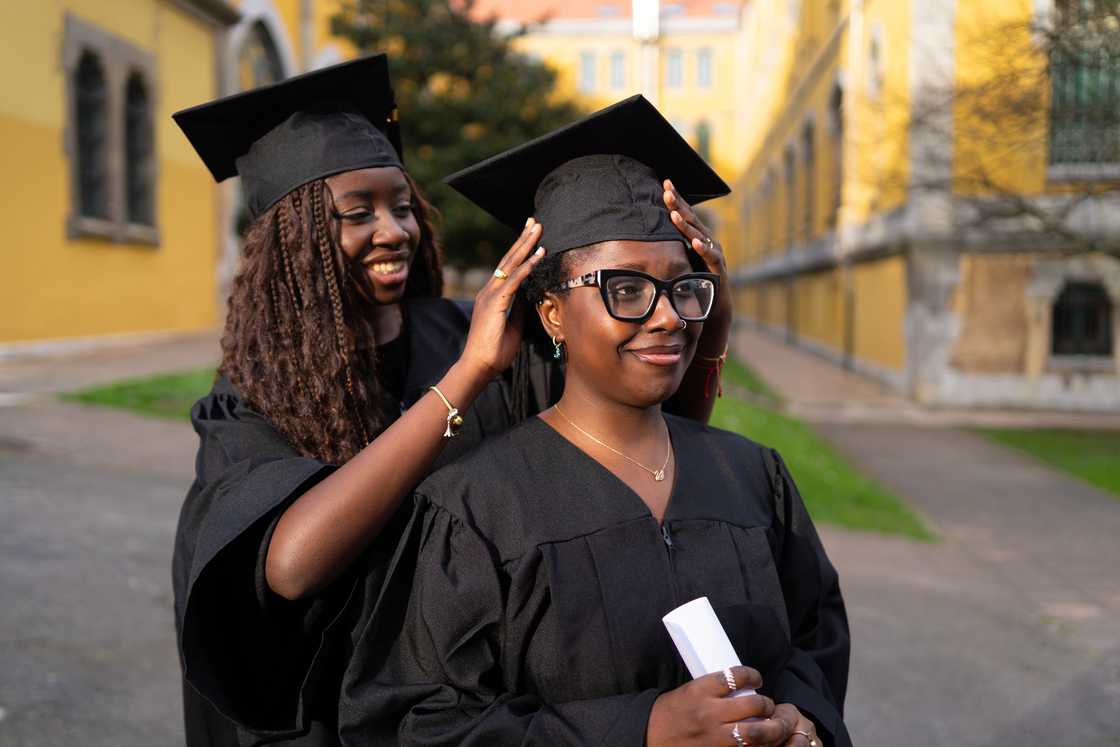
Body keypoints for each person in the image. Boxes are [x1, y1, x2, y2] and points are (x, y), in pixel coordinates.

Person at [170, 59, 734, 745]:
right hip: (328, 713)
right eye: (359, 212)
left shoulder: (478, 334)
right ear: (294, 240)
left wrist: (710, 329)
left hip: (462, 696)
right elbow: (289, 567)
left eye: (404, 205)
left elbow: (653, 439)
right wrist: (466, 377)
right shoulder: (254, 394)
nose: (395, 230)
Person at [338, 96, 852, 747]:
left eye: (684, 286)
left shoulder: (754, 475)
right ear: (552, 312)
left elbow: (817, 636)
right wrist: (639, 729)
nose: (666, 316)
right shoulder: (474, 507)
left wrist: (802, 716)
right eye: (626, 289)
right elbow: (421, 721)